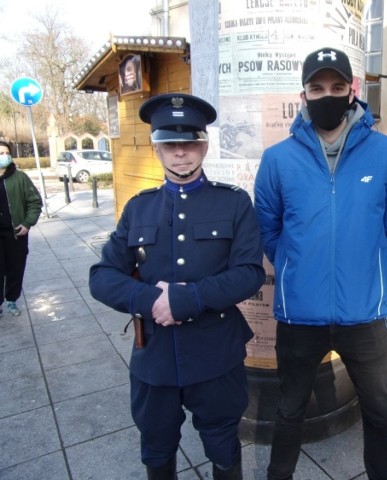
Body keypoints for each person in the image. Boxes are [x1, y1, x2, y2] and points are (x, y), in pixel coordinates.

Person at [254, 47, 387, 480]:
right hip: (299, 315)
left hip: (364, 315)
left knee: (378, 410)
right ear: (303, 94)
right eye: (317, 88)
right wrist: (295, 265)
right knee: (289, 410)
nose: (328, 95)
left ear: (352, 90)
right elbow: (268, 229)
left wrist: (370, 267)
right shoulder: (278, 160)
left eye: (337, 87)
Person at [89, 93, 265, 480]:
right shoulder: (138, 207)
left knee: (222, 443)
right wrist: (152, 300)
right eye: (170, 144)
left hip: (215, 352)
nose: (181, 153)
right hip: (154, 356)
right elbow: (101, 276)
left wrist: (188, 298)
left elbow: (250, 272)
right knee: (156, 446)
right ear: (157, 150)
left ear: (204, 145)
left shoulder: (234, 204)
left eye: (189, 143)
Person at [0, 140, 43, 317]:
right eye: (0, 153)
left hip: (15, 234)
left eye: (6, 153)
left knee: (15, 269)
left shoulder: (20, 178)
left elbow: (35, 202)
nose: (4, 156)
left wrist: (27, 223)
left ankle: (11, 300)